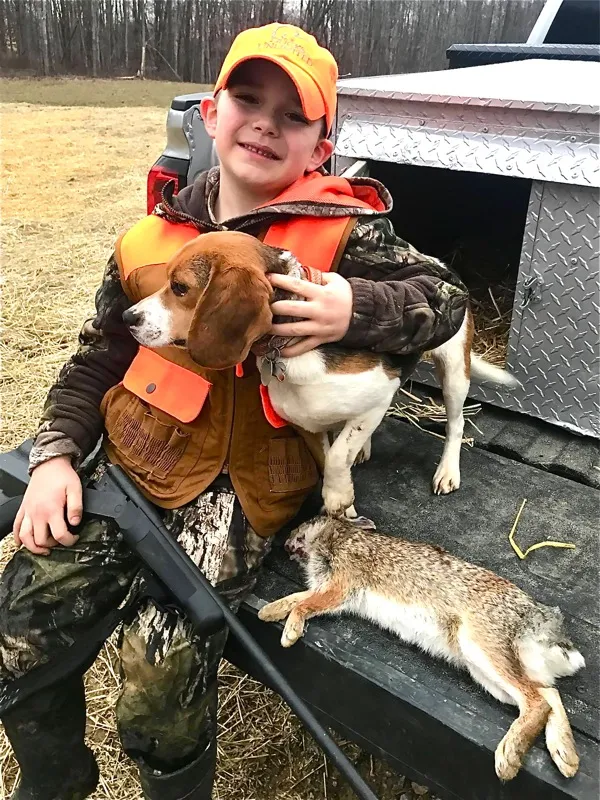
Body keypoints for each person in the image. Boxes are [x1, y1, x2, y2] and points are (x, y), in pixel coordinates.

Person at [0, 22, 468, 800]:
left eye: (294, 115)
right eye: (247, 99)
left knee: (161, 679)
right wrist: (53, 455)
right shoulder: (150, 237)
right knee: (18, 628)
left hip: (247, 491)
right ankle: (53, 781)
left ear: (322, 141)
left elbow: (445, 299)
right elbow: (95, 358)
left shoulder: (344, 230)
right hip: (129, 465)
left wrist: (356, 305)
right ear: (209, 113)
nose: (265, 123)